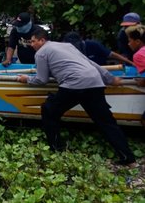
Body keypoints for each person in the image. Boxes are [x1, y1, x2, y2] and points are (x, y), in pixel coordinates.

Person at [17, 28, 135, 165]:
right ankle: (127, 156)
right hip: (94, 82)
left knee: (49, 111)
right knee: (106, 122)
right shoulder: (67, 46)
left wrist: (26, 79)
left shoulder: (41, 53)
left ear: (42, 40)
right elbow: (90, 62)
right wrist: (110, 79)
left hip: (74, 85)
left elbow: (41, 79)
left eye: (33, 41)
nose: (31, 45)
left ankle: (56, 149)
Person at [63, 31, 133, 66]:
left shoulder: (93, 45)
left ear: (80, 41)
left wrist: (130, 62)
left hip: (101, 70)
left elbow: (111, 54)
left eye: (75, 45)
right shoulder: (66, 50)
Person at [125, 25, 145, 126]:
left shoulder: (138, 55)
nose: (128, 44)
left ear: (137, 41)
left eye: (129, 40)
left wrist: (143, 82)